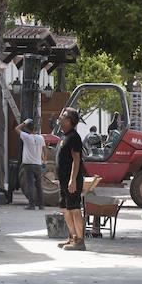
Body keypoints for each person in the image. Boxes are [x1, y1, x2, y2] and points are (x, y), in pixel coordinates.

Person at [55, 107, 86, 251]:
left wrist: (72, 180)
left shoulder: (74, 137)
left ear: (69, 120)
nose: (60, 117)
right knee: (65, 209)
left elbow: (76, 159)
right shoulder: (64, 136)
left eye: (63, 115)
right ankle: (72, 237)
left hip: (71, 181)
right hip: (63, 181)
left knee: (74, 209)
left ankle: (80, 241)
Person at [15, 118, 46, 210]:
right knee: (39, 185)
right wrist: (44, 160)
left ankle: (32, 204)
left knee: (30, 185)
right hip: (38, 164)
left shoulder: (26, 137)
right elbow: (44, 150)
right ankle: (41, 205)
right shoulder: (41, 138)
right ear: (35, 129)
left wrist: (24, 123)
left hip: (28, 164)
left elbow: (16, 129)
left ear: (28, 129)